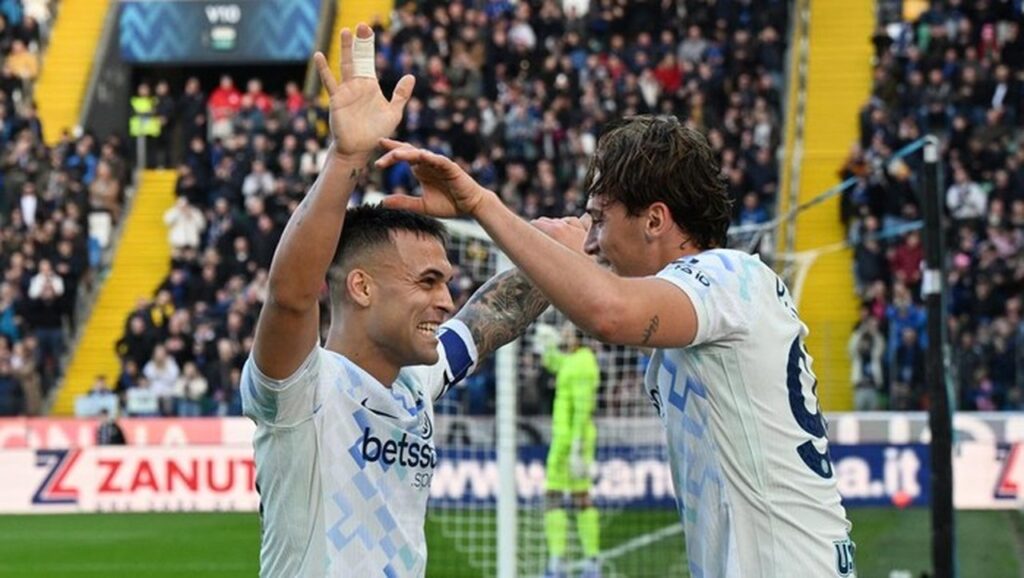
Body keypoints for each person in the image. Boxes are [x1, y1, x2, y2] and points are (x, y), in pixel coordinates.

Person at [378, 115, 857, 578]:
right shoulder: (706, 303)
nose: (591, 241)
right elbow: (542, 297)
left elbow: (607, 312)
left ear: (654, 220)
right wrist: (549, 246)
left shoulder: (729, 276)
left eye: (599, 220)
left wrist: (482, 203)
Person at [242, 24, 551, 577]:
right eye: (427, 282)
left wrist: (565, 243)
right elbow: (290, 298)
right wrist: (345, 159)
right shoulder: (304, 391)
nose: (446, 300)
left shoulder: (414, 381)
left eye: (446, 283)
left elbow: (497, 312)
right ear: (361, 287)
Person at [540, 322, 601, 578]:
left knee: (566, 496)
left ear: (577, 336)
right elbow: (555, 364)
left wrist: (577, 446)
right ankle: (575, 561)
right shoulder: (575, 360)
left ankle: (573, 562)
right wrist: (547, 348)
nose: (563, 332)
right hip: (566, 439)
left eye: (567, 329)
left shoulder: (584, 364)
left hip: (573, 440)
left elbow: (583, 407)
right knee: (572, 496)